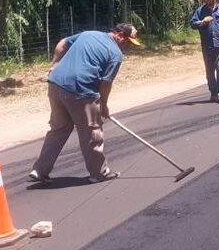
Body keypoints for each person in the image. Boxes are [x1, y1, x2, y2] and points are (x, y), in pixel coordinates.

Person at [28, 23, 141, 184]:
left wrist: (54, 66)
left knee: (58, 130)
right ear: (119, 35)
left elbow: (62, 43)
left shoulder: (89, 34)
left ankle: (39, 170)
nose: (128, 47)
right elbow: (106, 83)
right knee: (92, 132)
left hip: (56, 85)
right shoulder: (115, 54)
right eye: (128, 42)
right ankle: (99, 173)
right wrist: (104, 105)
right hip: (80, 90)